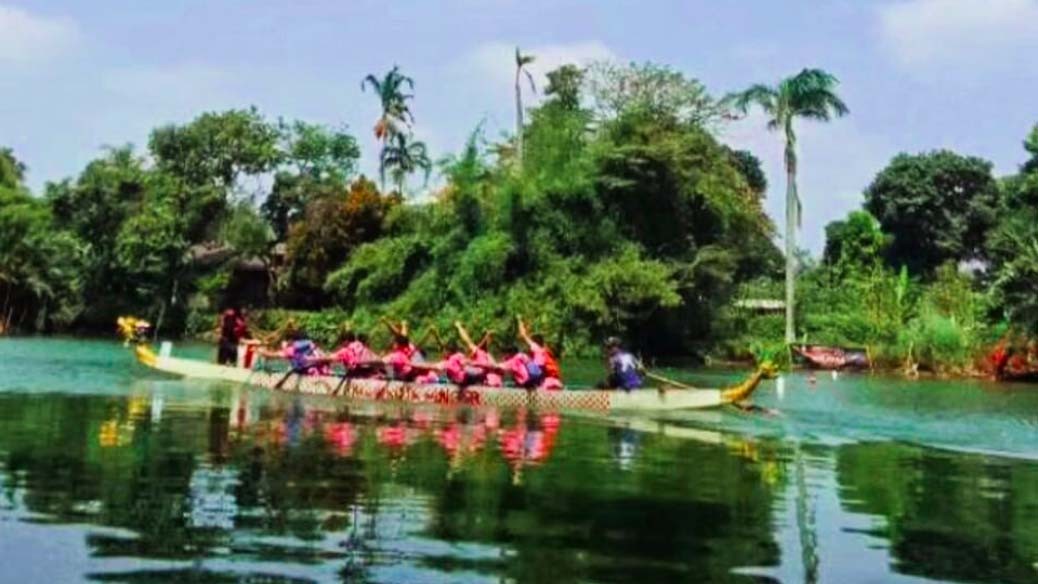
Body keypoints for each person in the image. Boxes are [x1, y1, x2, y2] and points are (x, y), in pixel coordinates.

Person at [517, 316, 563, 389]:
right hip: (551, 379)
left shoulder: (535, 347)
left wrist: (519, 320)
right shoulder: (545, 350)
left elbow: (523, 335)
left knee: (521, 357)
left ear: (535, 341)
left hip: (541, 376)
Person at [455, 321, 503, 387]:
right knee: (465, 368)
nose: (488, 342)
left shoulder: (488, 355)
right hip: (473, 372)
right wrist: (459, 327)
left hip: (481, 376)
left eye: (489, 340)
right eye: (488, 339)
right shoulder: (476, 349)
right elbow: (466, 339)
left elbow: (496, 367)